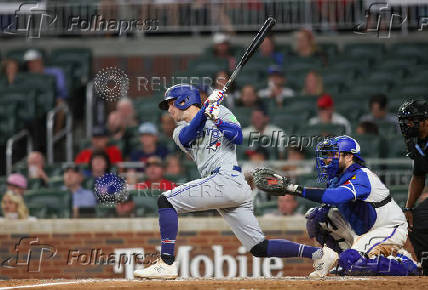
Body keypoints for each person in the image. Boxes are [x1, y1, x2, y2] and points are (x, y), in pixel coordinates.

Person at [133, 84, 332, 280]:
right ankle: (319, 255)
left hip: (228, 179)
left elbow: (237, 137)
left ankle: (166, 263)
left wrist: (215, 116)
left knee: (165, 200)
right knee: (259, 247)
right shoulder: (178, 132)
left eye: (171, 104)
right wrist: (205, 111)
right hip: (222, 185)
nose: (169, 109)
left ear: (184, 101)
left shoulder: (222, 111)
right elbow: (188, 136)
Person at [255, 135, 417, 276]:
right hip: (363, 229)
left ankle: (405, 263)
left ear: (348, 157)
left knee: (353, 264)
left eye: (334, 155)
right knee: (317, 218)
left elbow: (338, 196)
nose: (328, 159)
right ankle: (342, 258)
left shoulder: (362, 175)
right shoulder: (337, 179)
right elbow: (327, 207)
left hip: (387, 228)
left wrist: (295, 189)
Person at [397, 99, 428, 275]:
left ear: (426, 120)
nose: (408, 124)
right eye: (405, 121)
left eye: (412, 120)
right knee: (413, 221)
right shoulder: (417, 143)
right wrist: (408, 208)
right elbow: (418, 176)